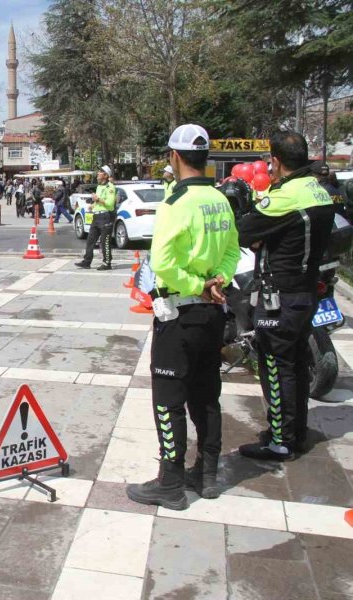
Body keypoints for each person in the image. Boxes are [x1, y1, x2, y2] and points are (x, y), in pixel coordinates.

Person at [126, 124, 240, 510]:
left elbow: (163, 262)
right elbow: (233, 251)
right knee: (207, 396)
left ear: (174, 158)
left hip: (180, 314)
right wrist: (217, 280)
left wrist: (197, 284)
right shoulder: (220, 199)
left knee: (169, 399)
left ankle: (170, 483)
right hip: (213, 314)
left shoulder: (176, 204)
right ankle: (207, 475)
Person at [236, 131, 335, 461]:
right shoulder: (317, 191)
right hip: (306, 292)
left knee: (276, 367)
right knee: (295, 363)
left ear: (275, 162)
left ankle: (279, 440)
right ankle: (295, 432)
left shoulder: (284, 196)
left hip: (280, 295)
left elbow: (244, 231)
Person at [75, 166, 117, 271]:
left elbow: (110, 205)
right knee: (90, 240)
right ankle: (87, 261)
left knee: (104, 241)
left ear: (106, 175)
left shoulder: (110, 187)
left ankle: (107, 263)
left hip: (105, 216)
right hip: (96, 216)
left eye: (101, 172)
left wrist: (97, 199)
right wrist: (93, 205)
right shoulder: (99, 187)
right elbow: (97, 201)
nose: (98, 174)